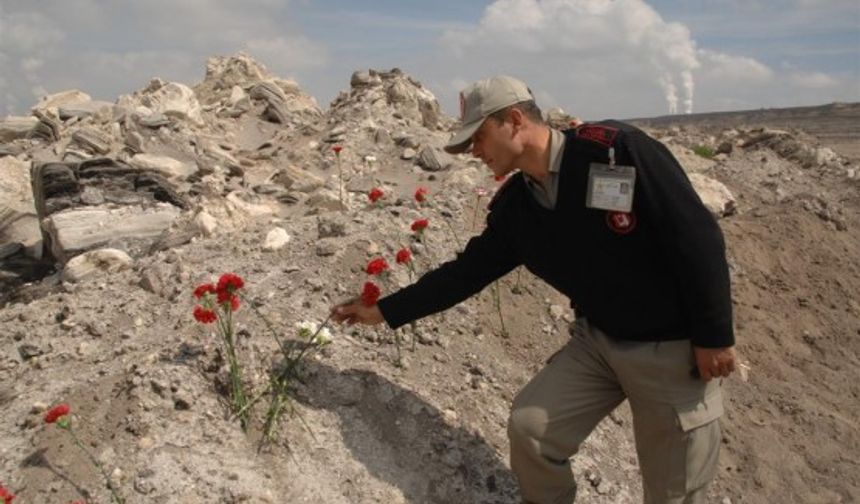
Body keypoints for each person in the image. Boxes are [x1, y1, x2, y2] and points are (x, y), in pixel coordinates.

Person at [332, 75, 737, 504]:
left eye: (479, 137)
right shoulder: (518, 208)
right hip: (597, 343)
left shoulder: (616, 151)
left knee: (674, 491)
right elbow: (464, 274)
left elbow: (695, 235)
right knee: (531, 430)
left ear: (514, 120)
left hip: (669, 350)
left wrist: (714, 335)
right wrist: (384, 311)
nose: (474, 152)